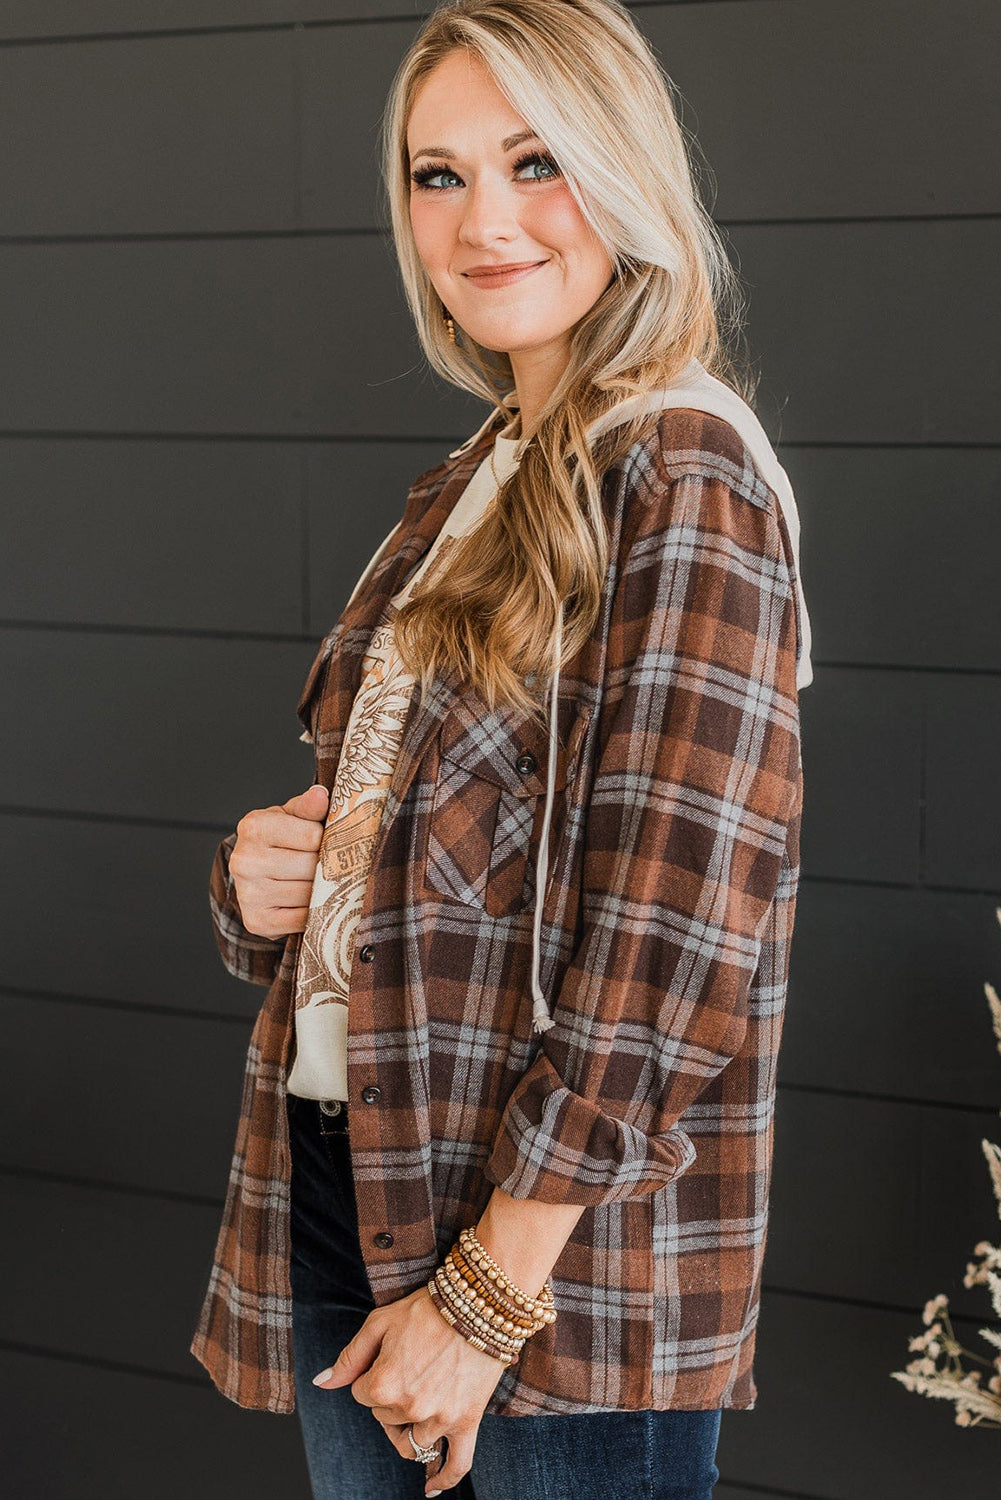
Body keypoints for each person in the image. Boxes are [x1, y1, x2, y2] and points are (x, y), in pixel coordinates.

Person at [189, 2, 813, 1497]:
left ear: (622, 169)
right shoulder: (477, 474)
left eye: (534, 161)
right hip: (359, 1171)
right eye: (438, 175)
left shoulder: (682, 464)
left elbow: (674, 938)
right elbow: (443, 844)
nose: (483, 224)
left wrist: (484, 1299)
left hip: (541, 1252)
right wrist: (263, 879)